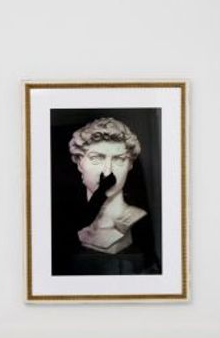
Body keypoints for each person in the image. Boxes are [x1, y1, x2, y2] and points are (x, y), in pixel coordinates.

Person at [50, 116, 159, 275]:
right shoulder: (68, 221)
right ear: (79, 162)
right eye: (96, 158)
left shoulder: (137, 218)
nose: (107, 172)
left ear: (130, 165)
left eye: (119, 159)